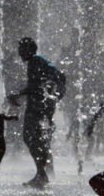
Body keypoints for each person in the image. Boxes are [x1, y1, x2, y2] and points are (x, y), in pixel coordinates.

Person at [8, 37, 66, 188]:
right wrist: (56, 95)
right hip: (43, 103)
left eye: (21, 49)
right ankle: (45, 171)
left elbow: (36, 86)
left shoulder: (34, 62)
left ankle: (41, 174)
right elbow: (57, 77)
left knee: (29, 137)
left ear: (28, 49)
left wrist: (17, 95)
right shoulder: (39, 61)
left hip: (38, 105)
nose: (19, 53)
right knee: (40, 138)